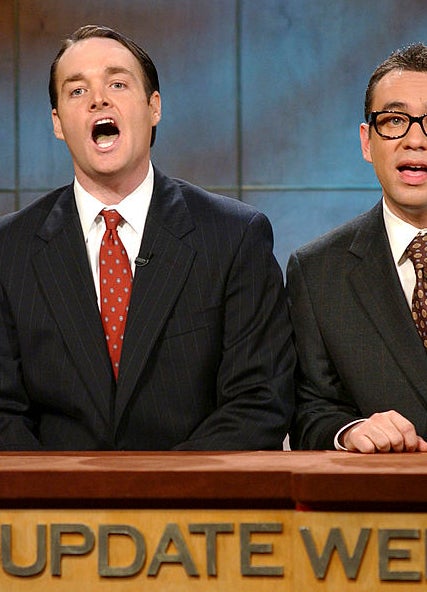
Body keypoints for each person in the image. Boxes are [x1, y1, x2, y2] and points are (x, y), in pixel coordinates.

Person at [0, 24, 294, 450]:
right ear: (58, 123)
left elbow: (259, 402)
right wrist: (63, 497)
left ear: (153, 107)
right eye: (77, 91)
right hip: (52, 510)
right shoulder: (10, 250)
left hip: (193, 507)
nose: (99, 98)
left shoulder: (234, 237)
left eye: (117, 83)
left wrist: (155, 493)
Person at [287, 42, 427, 453]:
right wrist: (350, 431)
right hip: (381, 506)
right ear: (367, 142)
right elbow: (308, 412)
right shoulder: (315, 272)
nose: (415, 139)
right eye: (395, 120)